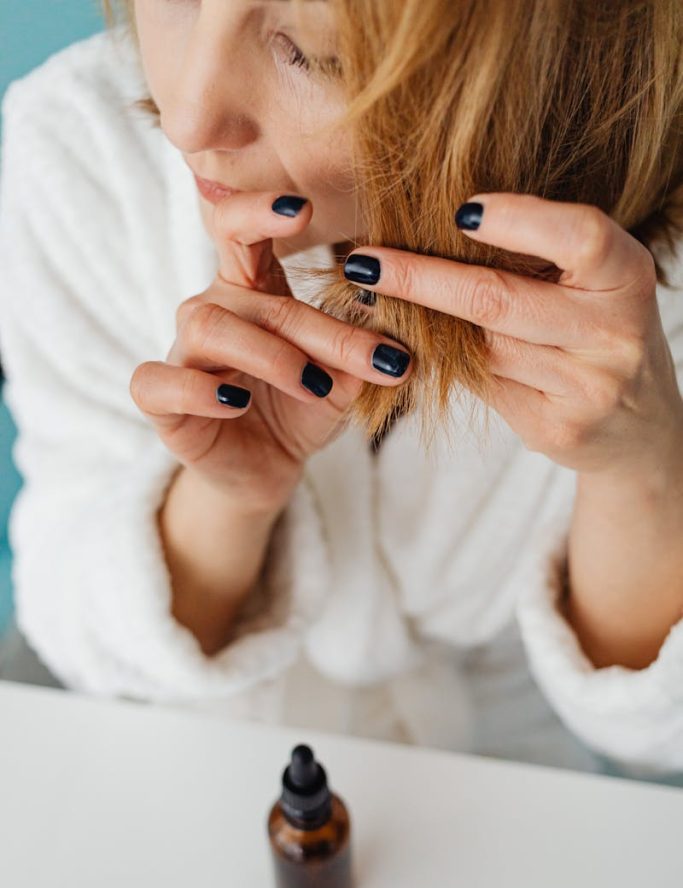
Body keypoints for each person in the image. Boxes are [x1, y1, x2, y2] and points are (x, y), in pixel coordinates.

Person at [1, 0, 682, 784]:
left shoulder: (641, 278)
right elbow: (68, 611)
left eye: (312, 54)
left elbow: (656, 736)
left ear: (520, 84)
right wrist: (229, 499)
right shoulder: (81, 142)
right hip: (162, 759)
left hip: (507, 783)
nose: (188, 118)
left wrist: (640, 470)